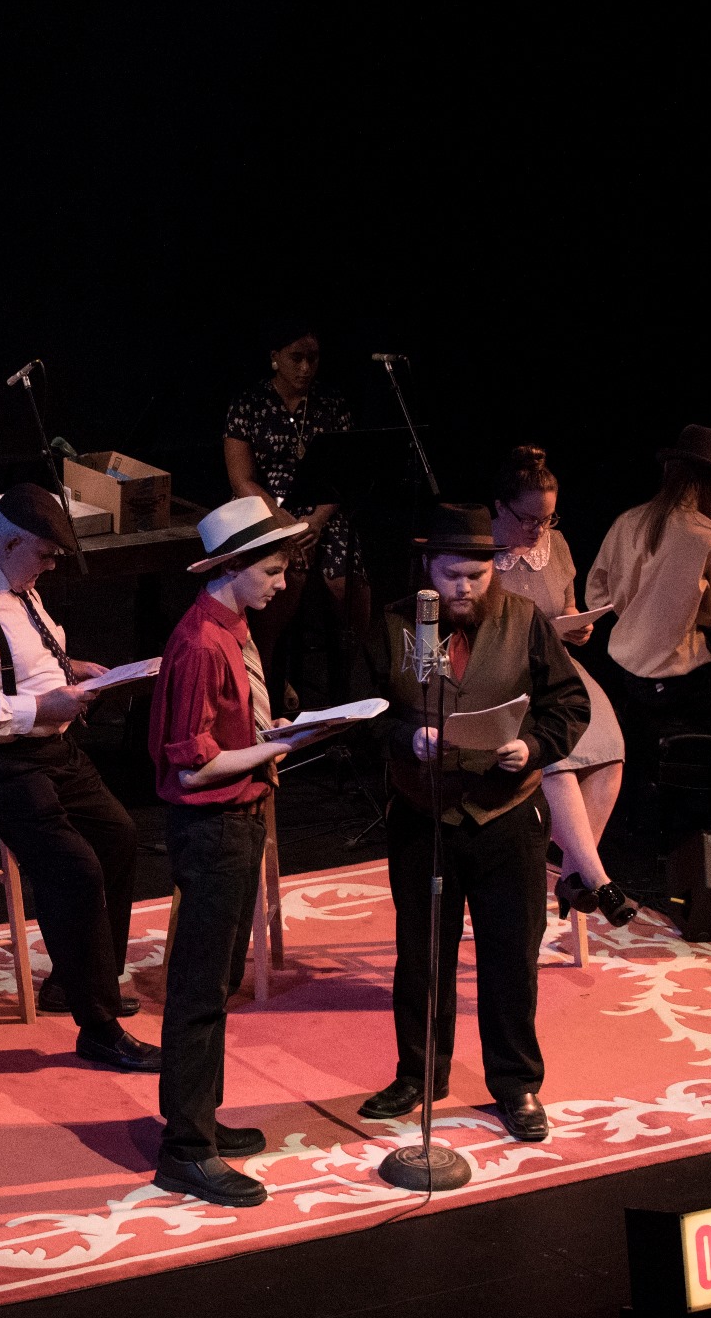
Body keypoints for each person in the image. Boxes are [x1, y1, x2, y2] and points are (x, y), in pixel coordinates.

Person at [0, 484, 159, 1073]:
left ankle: (75, 982)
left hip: (44, 748)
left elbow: (14, 660)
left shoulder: (14, 581)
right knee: (74, 865)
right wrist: (41, 709)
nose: (50, 567)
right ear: (13, 540)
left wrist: (70, 672)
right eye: (45, 554)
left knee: (118, 835)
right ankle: (98, 1027)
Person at [359, 504, 589, 1143]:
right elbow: (364, 715)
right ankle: (420, 1072)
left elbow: (567, 704)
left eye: (478, 577)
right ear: (429, 568)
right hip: (424, 814)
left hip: (505, 812)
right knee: (422, 952)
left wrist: (536, 746)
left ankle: (516, 1083)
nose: (465, 589)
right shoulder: (401, 625)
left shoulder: (524, 621)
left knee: (510, 953)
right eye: (454, 576)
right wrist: (408, 737)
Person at [148, 496, 308, 1207]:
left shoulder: (233, 624)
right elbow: (188, 766)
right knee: (198, 987)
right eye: (270, 569)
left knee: (216, 984)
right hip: (212, 828)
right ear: (233, 567)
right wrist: (275, 746)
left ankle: (199, 1118)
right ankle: (184, 1147)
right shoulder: (199, 642)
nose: (280, 581)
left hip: (239, 821)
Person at [488, 446, 637, 929]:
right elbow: (491, 634)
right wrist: (553, 630)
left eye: (548, 519)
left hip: (558, 665)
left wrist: (578, 625)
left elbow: (566, 607)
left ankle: (572, 875)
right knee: (557, 755)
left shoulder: (558, 546)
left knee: (610, 750)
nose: (538, 530)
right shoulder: (480, 557)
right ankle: (596, 878)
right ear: (500, 507)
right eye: (529, 519)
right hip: (505, 674)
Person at [224, 321, 368, 713]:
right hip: (268, 510)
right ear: (274, 358)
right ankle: (268, 684)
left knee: (345, 586)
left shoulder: (331, 404)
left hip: (324, 512)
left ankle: (343, 694)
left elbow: (344, 472)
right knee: (286, 578)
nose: (305, 367)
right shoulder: (249, 404)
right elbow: (241, 478)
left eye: (313, 358)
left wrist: (317, 523)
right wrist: (284, 521)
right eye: (296, 358)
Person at [584, 424, 711, 717]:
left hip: (618, 667)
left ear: (668, 470)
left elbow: (595, 594)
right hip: (674, 682)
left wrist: (634, 616)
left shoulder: (626, 521)